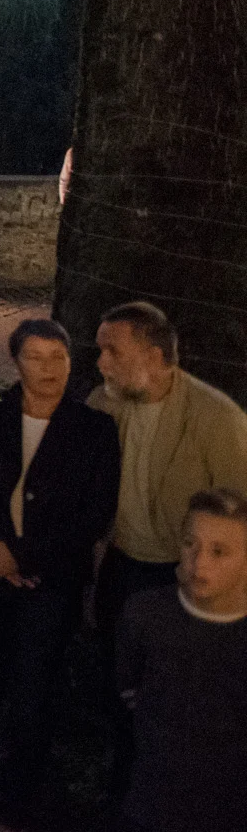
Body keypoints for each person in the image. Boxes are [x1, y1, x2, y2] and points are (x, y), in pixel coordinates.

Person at [0, 319, 120, 832]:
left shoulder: (93, 429)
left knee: (32, 695)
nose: (49, 368)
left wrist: (22, 557)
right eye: (36, 357)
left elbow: (93, 515)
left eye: (59, 357)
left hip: (49, 582)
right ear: (16, 362)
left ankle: (15, 810)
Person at [87, 300, 247, 800]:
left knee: (183, 700)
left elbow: (239, 513)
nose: (101, 362)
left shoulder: (216, 418)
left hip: (184, 577)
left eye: (112, 351)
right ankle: (124, 797)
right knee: (119, 687)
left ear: (154, 357)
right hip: (121, 568)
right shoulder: (104, 405)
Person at [114, 488, 247, 832]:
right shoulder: (145, 613)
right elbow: (127, 682)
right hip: (150, 804)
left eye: (219, 552)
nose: (200, 562)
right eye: (191, 544)